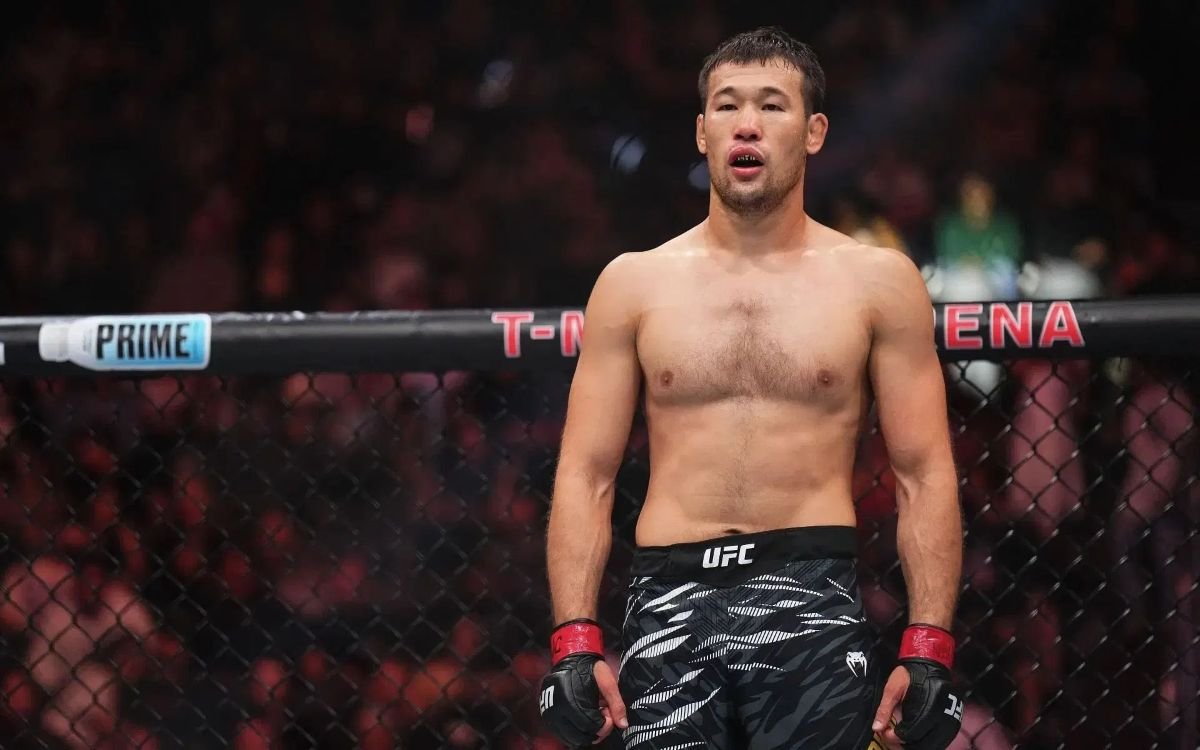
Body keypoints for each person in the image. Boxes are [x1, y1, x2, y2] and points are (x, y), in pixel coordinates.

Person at [539, 27, 964, 749]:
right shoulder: (632, 283)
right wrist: (574, 642)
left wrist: (928, 649)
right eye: (727, 105)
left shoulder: (877, 282)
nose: (747, 124)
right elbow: (586, 472)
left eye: (771, 105)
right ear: (702, 132)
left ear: (814, 131)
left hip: (811, 599)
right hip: (669, 601)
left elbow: (924, 472)